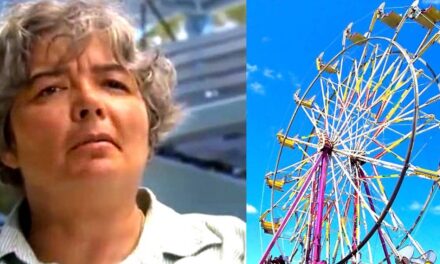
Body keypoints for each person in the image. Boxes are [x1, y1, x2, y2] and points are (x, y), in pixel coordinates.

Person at [0, 1, 245, 263]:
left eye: (114, 84)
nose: (90, 102)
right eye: (51, 89)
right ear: (8, 145)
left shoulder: (239, 249)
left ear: (149, 123)